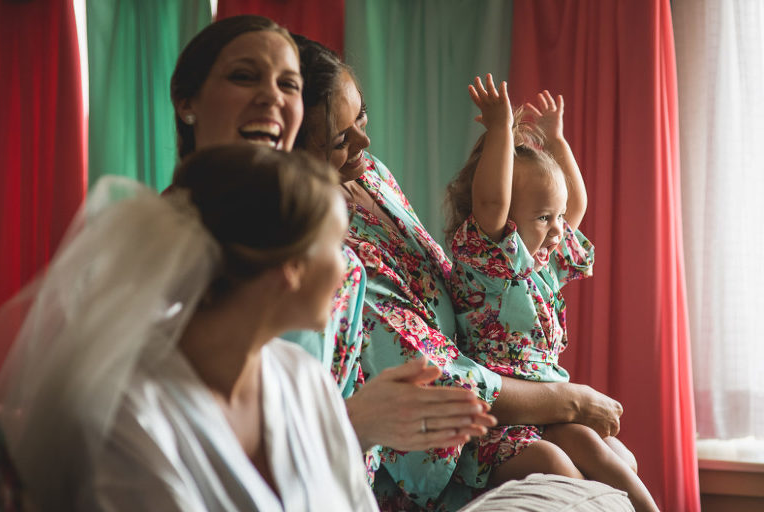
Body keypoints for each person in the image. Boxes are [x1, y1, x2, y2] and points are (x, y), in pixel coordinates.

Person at [293, 37, 626, 511]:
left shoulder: (370, 175)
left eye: (361, 119)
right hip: (441, 441)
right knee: (561, 472)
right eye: (339, 140)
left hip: (502, 402)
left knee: (613, 462)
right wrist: (569, 400)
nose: (363, 143)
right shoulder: (325, 245)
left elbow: (570, 209)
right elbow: (434, 377)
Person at [167, 15, 496, 467]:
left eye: (287, 84)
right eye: (243, 76)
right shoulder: (171, 238)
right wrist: (354, 421)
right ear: (187, 101)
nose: (272, 97)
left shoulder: (317, 213)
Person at [0, 144, 379, 511]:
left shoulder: (306, 380)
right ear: (291, 266)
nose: (348, 268)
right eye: (337, 245)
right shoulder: (125, 412)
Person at [443, 75, 659, 512]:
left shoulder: (543, 263)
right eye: (544, 217)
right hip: (502, 420)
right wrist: (500, 129)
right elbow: (492, 203)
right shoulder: (490, 262)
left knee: (621, 457)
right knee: (562, 460)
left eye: (556, 217)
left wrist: (558, 142)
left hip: (548, 411)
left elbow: (575, 206)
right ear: (506, 220)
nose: (559, 229)